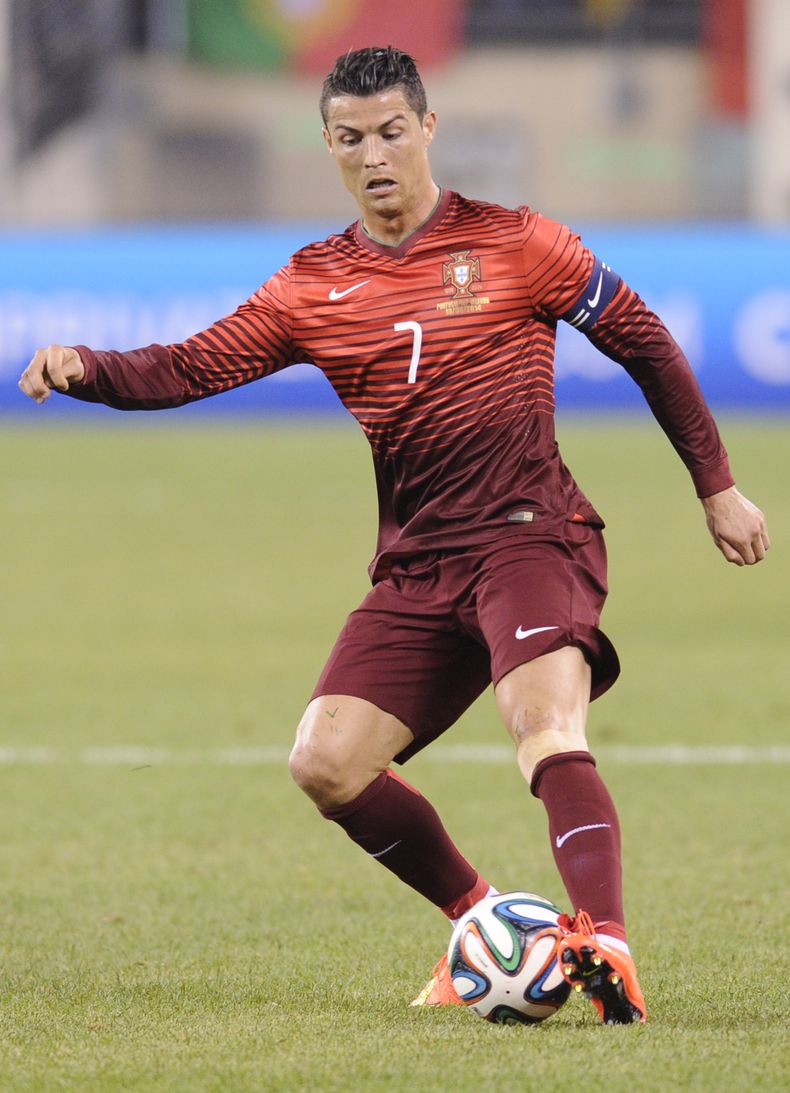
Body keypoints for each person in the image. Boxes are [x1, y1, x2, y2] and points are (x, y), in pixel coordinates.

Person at [19, 46, 769, 1026]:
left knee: (541, 722)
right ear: (328, 146)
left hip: (530, 536)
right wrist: (86, 366)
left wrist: (717, 487)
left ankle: (608, 945)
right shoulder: (312, 284)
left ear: (426, 129)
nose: (372, 155)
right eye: (349, 139)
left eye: (388, 132)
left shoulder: (517, 242)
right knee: (325, 762)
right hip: (418, 565)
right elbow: (189, 367)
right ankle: (488, 928)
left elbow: (644, 341)